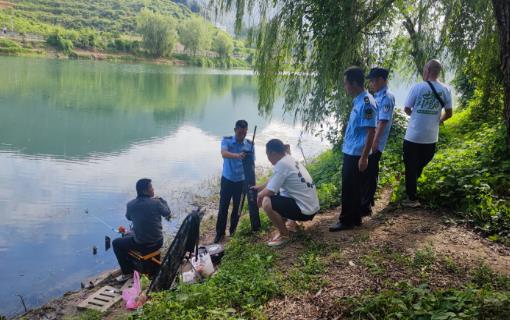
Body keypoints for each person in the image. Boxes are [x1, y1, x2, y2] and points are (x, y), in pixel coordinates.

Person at [330, 66, 377, 232]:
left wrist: (364, 157)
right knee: (353, 187)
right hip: (351, 150)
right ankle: (355, 218)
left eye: (346, 84)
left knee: (349, 188)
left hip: (357, 153)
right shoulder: (358, 100)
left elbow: (372, 130)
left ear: (355, 83)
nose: (345, 87)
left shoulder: (367, 103)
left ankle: (346, 220)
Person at [402, 59, 453, 207]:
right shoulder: (446, 89)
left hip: (413, 135)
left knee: (411, 165)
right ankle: (411, 186)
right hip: (431, 137)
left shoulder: (417, 87)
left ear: (427, 71)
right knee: (421, 162)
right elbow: (449, 113)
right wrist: (438, 119)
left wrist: (417, 115)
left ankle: (411, 198)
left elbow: (406, 109)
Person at [254, 139, 320, 247]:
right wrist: (260, 188)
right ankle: (291, 223)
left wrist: (259, 197)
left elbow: (270, 191)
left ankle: (284, 234)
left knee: (266, 201)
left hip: (305, 211)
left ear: (272, 153)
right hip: (312, 207)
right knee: (281, 192)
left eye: (267, 155)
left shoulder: (281, 165)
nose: (268, 159)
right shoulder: (289, 159)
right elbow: (274, 179)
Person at [113, 178, 171, 280]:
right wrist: (162, 200)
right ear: (146, 190)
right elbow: (167, 213)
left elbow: (129, 217)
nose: (153, 189)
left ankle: (127, 272)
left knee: (116, 243)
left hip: (141, 244)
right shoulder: (157, 203)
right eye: (151, 187)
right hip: (157, 242)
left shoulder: (130, 204)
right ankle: (136, 268)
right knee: (128, 235)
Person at [361, 67, 396, 215]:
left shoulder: (387, 96)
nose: (371, 83)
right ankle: (369, 200)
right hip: (371, 139)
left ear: (382, 79)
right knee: (370, 171)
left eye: (374, 80)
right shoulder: (377, 95)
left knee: (370, 172)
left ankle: (366, 206)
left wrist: (374, 142)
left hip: (376, 141)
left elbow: (382, 122)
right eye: (370, 80)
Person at [214, 120, 254, 243]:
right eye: (240, 132)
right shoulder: (226, 140)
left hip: (241, 182)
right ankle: (220, 233)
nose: (242, 135)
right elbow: (224, 153)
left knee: (237, 209)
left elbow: (252, 162)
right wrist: (237, 155)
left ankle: (233, 232)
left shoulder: (250, 144)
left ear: (247, 131)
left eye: (244, 132)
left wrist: (251, 181)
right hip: (227, 180)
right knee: (223, 207)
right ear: (235, 130)